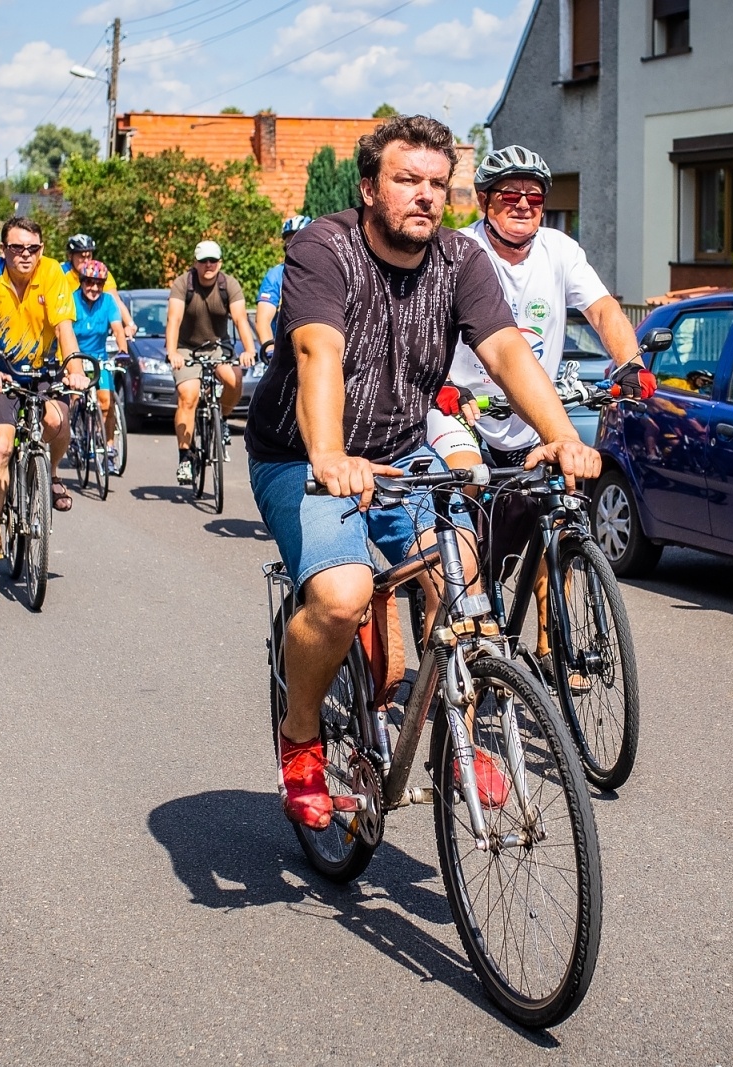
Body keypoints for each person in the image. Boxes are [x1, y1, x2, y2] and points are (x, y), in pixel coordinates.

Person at [245, 114, 599, 829]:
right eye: (408, 180)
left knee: (464, 590)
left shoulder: (459, 262)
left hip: (404, 449)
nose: (426, 196)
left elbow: (506, 352)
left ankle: (458, 739)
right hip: (299, 453)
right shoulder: (325, 249)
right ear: (371, 188)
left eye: (439, 183)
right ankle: (303, 738)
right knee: (343, 597)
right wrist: (327, 455)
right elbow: (319, 353)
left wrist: (561, 436)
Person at [424, 145, 650, 685]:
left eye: (534, 197)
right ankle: (469, 626)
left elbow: (602, 310)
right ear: (483, 201)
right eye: (510, 195)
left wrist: (632, 362)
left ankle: (555, 646)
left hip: (532, 415)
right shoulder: (457, 251)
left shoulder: (560, 250)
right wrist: (442, 386)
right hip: (463, 407)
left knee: (562, 506)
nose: (524, 205)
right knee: (466, 484)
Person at [0, 216, 92, 560]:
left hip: (43, 370)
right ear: (3, 249)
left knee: (57, 422)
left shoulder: (52, 274)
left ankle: (49, 473)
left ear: (42, 250)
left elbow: (64, 329)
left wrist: (75, 372)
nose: (25, 255)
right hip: (0, 373)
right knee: (0, 446)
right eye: (17, 248)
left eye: (32, 248)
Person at [166, 240, 256, 485]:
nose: (209, 265)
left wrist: (249, 349)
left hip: (218, 346)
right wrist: (172, 351)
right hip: (186, 348)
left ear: (220, 263)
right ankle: (185, 456)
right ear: (195, 263)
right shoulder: (183, 284)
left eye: (213, 261)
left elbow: (240, 320)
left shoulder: (229, 285)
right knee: (189, 395)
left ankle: (223, 420)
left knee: (233, 379)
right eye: (204, 261)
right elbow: (173, 319)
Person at [69, 259, 130, 474]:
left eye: (99, 284)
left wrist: (123, 352)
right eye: (90, 283)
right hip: (75, 357)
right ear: (82, 282)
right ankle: (74, 432)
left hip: (99, 358)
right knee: (76, 396)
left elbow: (118, 329)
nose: (94, 288)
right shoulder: (71, 300)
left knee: (107, 402)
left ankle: (109, 447)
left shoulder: (108, 302)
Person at [254, 215, 311, 358]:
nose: (294, 251)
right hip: (284, 353)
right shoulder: (275, 275)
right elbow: (263, 321)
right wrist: (270, 351)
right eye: (289, 246)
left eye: (300, 244)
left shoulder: (327, 272)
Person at [62, 234, 135, 339]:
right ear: (70, 256)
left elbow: (116, 300)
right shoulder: (61, 272)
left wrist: (129, 324)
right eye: (82, 257)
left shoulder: (99, 272)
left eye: (89, 256)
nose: (86, 261)